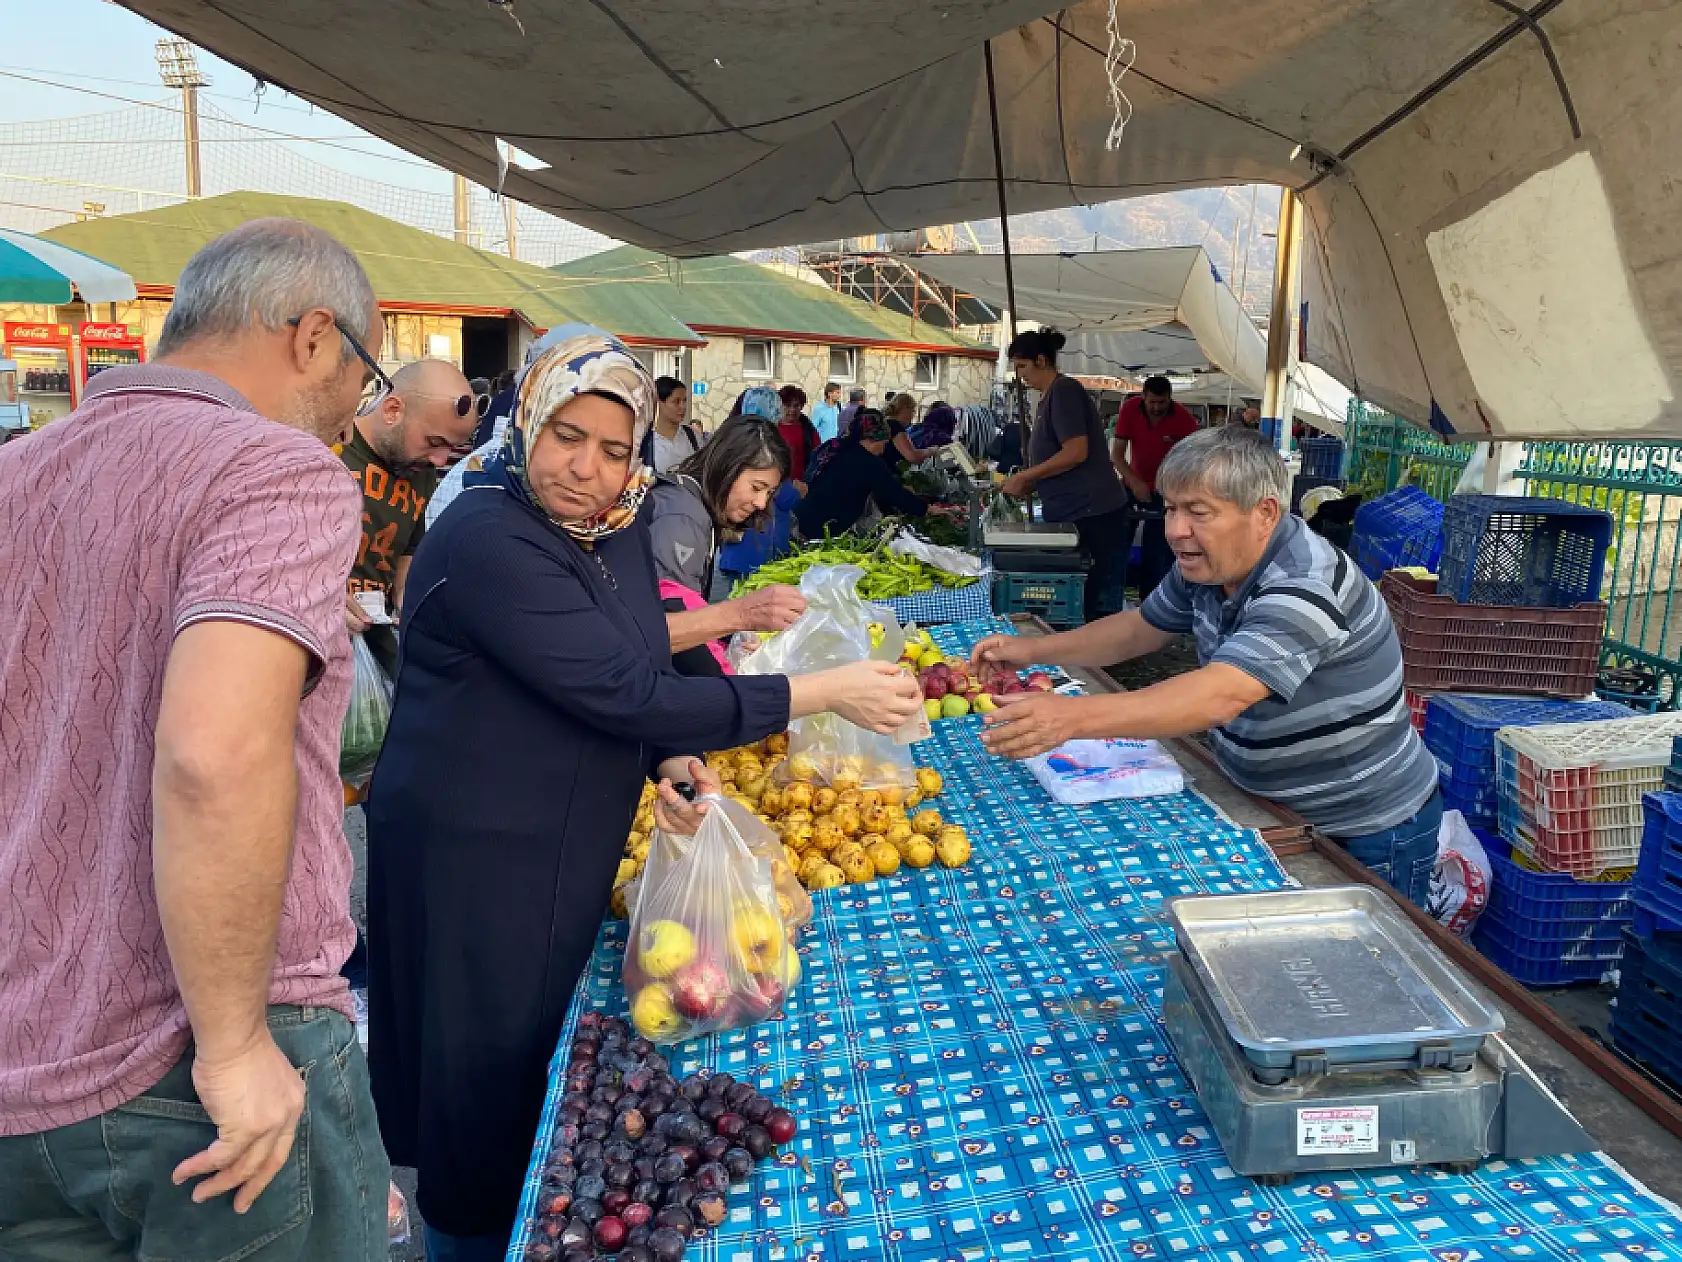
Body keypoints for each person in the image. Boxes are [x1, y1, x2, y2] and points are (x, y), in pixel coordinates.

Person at [364, 329, 922, 1260]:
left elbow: (635, 646)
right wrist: (822, 691)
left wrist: (672, 757)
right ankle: (462, 1240)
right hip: (472, 847)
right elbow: (623, 689)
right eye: (567, 437)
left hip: (557, 831)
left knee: (532, 1057)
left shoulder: (613, 524)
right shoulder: (489, 533)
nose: (587, 468)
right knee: (476, 1073)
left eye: (615, 449)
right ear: (529, 419)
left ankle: (515, 1214)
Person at [0, 219, 391, 1257]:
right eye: (365, 371)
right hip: (204, 1071)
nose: (358, 409)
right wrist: (232, 1045)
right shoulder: (275, 471)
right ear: (315, 338)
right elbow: (213, 754)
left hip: (26, 1062)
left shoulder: (18, 474)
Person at [974, 427, 1441, 908]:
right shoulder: (1211, 563)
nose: (1175, 530)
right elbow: (1141, 628)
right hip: (1268, 805)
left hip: (1363, 827)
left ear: (1264, 514)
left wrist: (1072, 718)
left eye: (1198, 512)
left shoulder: (1307, 583)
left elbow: (1224, 694)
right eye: (1171, 508)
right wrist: (1030, 650)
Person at [341, 358, 482, 677]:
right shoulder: (333, 451)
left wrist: (409, 599)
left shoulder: (421, 473)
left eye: (452, 448)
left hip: (378, 648)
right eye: (434, 443)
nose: (441, 460)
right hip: (319, 645)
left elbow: (405, 557)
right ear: (392, 410)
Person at [647, 416, 807, 675]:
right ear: (728, 467)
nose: (761, 503)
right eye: (757, 487)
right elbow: (671, 631)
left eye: (769, 493)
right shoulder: (683, 520)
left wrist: (726, 644)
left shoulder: (693, 507)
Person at [1000, 328, 1133, 621]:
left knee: (1091, 597)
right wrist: (1033, 482)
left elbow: (1076, 452)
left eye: (1022, 366)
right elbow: (1058, 460)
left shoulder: (1064, 391)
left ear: (1042, 360)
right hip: (1075, 510)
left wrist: (1027, 476)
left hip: (1092, 512)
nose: (1020, 375)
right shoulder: (1048, 397)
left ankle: (1097, 660)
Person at [1112, 375, 1201, 601]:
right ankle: (1112, 599)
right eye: (1152, 402)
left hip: (1166, 492)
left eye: (1162, 402)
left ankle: (1153, 607)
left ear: (1170, 399)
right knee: (1117, 546)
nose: (1157, 407)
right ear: (1143, 397)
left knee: (1159, 554)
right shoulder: (1129, 409)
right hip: (1132, 486)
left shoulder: (1183, 418)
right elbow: (1117, 456)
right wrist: (1135, 482)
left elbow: (1195, 458)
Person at [714, 385, 803, 599]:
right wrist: (798, 490)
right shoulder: (763, 449)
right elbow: (784, 497)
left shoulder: (735, 439)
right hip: (756, 548)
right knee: (747, 609)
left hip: (740, 550)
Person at [796, 407, 930, 538]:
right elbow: (895, 495)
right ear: (875, 439)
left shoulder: (837, 446)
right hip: (823, 527)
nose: (883, 450)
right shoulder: (869, 462)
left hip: (804, 516)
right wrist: (928, 509)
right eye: (884, 443)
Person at [639, 375, 703, 473]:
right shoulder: (646, 442)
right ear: (659, 403)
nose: (683, 407)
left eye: (684, 401)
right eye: (676, 402)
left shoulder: (693, 436)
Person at [775, 383, 822, 483]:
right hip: (776, 484)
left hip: (802, 484)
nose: (792, 410)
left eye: (796, 406)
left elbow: (818, 457)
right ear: (780, 406)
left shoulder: (809, 431)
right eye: (788, 405)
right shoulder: (771, 428)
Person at [880, 391, 939, 469]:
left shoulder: (887, 422)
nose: (913, 415)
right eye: (913, 411)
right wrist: (932, 450)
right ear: (905, 409)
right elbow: (913, 456)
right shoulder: (894, 425)